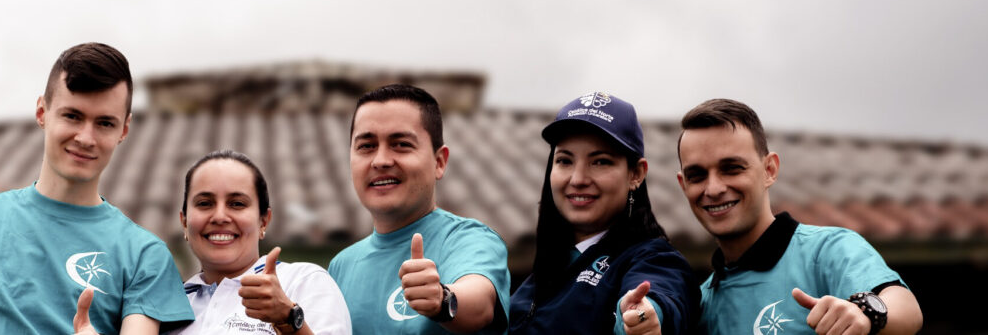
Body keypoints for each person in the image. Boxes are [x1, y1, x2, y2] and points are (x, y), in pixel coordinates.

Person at [0, 43, 195, 334]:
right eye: (72, 116)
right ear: (42, 112)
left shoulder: (145, 256)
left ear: (124, 130)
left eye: (104, 123)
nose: (86, 137)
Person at [675, 99, 923, 334]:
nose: (714, 188)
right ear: (683, 185)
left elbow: (906, 308)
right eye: (696, 175)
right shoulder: (700, 303)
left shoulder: (827, 251)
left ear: (769, 170)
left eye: (732, 169)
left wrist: (864, 312)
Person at [509, 92, 700, 335]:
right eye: (565, 161)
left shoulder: (654, 259)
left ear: (636, 174)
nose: (578, 179)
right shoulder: (542, 274)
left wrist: (644, 315)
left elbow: (661, 295)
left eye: (600, 162)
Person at [328, 84, 510, 334]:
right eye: (367, 146)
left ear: (439, 162)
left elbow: (479, 306)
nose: (381, 160)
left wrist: (441, 300)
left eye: (401, 144)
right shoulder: (340, 266)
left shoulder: (470, 240)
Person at [165, 150, 351, 334]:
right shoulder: (163, 306)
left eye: (237, 203)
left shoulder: (303, 281)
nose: (220, 216)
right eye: (205, 203)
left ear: (263, 220)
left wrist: (289, 320)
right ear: (184, 222)